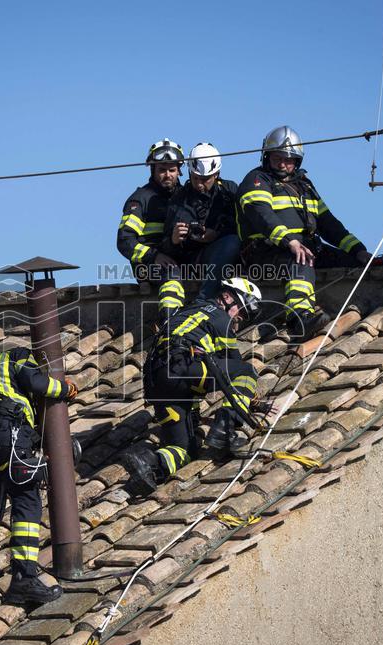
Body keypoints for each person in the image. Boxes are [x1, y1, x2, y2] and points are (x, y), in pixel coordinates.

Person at [122, 278, 267, 496]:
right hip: (182, 369)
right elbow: (233, 364)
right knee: (246, 371)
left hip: (158, 384)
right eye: (242, 311)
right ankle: (224, 429)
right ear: (227, 297)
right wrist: (251, 401)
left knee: (185, 449)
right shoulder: (218, 317)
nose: (240, 320)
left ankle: (149, 464)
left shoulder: (188, 311)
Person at [0, 347, 78, 605]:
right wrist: (64, 389)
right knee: (26, 496)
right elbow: (34, 382)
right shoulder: (17, 354)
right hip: (5, 429)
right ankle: (24, 578)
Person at [237, 126, 371, 342]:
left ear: (297, 162)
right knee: (301, 259)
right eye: (277, 158)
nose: (282, 163)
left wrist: (359, 250)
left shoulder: (305, 186)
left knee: (352, 262)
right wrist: (289, 241)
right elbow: (262, 215)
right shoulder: (257, 180)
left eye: (289, 159)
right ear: (266, 156)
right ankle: (300, 315)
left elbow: (328, 224)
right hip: (265, 253)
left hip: (305, 247)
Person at [157, 142, 242, 311]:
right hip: (192, 260)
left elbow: (242, 226)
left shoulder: (229, 191)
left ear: (216, 174)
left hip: (224, 255)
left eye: (205, 179)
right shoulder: (178, 199)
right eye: (195, 178)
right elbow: (166, 248)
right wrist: (174, 240)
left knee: (232, 241)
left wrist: (215, 234)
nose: (199, 184)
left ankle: (204, 299)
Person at [116, 139, 186, 316]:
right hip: (148, 265)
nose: (167, 175)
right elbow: (125, 240)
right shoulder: (140, 199)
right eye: (162, 170)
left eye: (172, 170)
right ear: (152, 169)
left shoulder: (187, 196)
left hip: (181, 258)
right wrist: (153, 256)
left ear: (179, 171)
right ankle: (170, 324)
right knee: (173, 275)